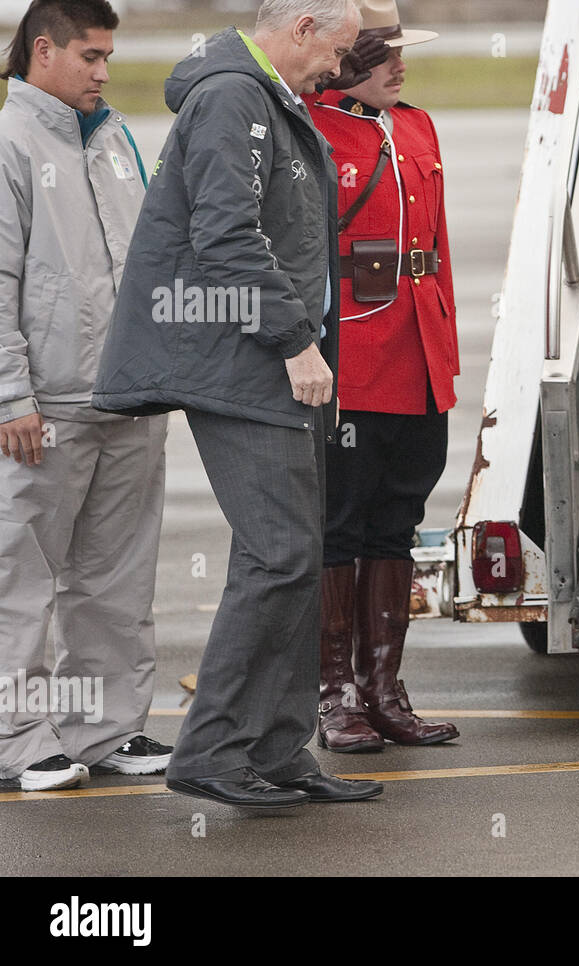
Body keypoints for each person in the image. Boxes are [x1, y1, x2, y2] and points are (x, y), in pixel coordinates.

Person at [92, 0, 382, 807]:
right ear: (300, 28)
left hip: (272, 364)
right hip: (246, 362)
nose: (340, 69)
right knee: (279, 556)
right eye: (338, 51)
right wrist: (294, 340)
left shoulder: (269, 101)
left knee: (295, 558)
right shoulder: (233, 98)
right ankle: (213, 751)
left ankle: (277, 748)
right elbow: (227, 236)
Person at [0, 0, 172, 792]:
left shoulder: (113, 140)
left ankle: (104, 729)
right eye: (90, 56)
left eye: (109, 57)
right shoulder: (10, 143)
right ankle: (15, 739)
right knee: (20, 581)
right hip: (45, 411)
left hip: (126, 402)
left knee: (116, 579)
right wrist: (11, 398)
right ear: (43, 50)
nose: (105, 72)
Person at [305, 0, 458, 753]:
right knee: (340, 523)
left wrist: (446, 360)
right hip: (352, 361)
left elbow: (438, 253)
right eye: (384, 52)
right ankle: (333, 696)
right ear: (344, 59)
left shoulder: (421, 127)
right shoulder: (310, 128)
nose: (402, 64)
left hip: (418, 356)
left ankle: (384, 689)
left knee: (397, 520)